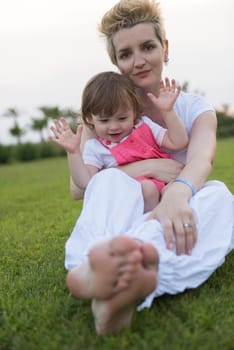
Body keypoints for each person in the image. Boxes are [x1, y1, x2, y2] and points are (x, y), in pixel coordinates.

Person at [53, 0, 233, 335]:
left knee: (220, 197)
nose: (138, 61)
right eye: (125, 54)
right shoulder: (107, 116)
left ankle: (116, 278)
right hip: (119, 216)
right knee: (110, 185)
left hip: (168, 214)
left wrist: (178, 194)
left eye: (147, 47)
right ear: (116, 62)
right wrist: (151, 166)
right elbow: (81, 188)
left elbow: (200, 159)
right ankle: (103, 267)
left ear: (164, 48)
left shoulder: (196, 109)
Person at [50, 71, 188, 213]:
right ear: (90, 118)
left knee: (178, 189)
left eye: (122, 118)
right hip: (125, 202)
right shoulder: (96, 148)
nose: (114, 127)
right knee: (147, 188)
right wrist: (74, 153)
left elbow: (178, 142)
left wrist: (168, 111)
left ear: (134, 112)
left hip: (165, 184)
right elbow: (86, 183)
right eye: (104, 120)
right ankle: (148, 227)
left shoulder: (144, 125)